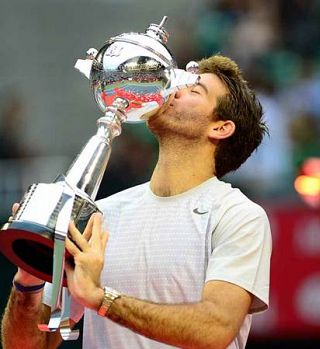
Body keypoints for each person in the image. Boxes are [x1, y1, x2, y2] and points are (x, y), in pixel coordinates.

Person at [1, 55, 272, 349]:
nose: (172, 90)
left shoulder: (238, 215)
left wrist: (101, 298)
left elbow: (215, 329)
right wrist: (29, 279)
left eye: (194, 90)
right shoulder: (101, 215)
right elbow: (26, 345)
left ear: (220, 127)